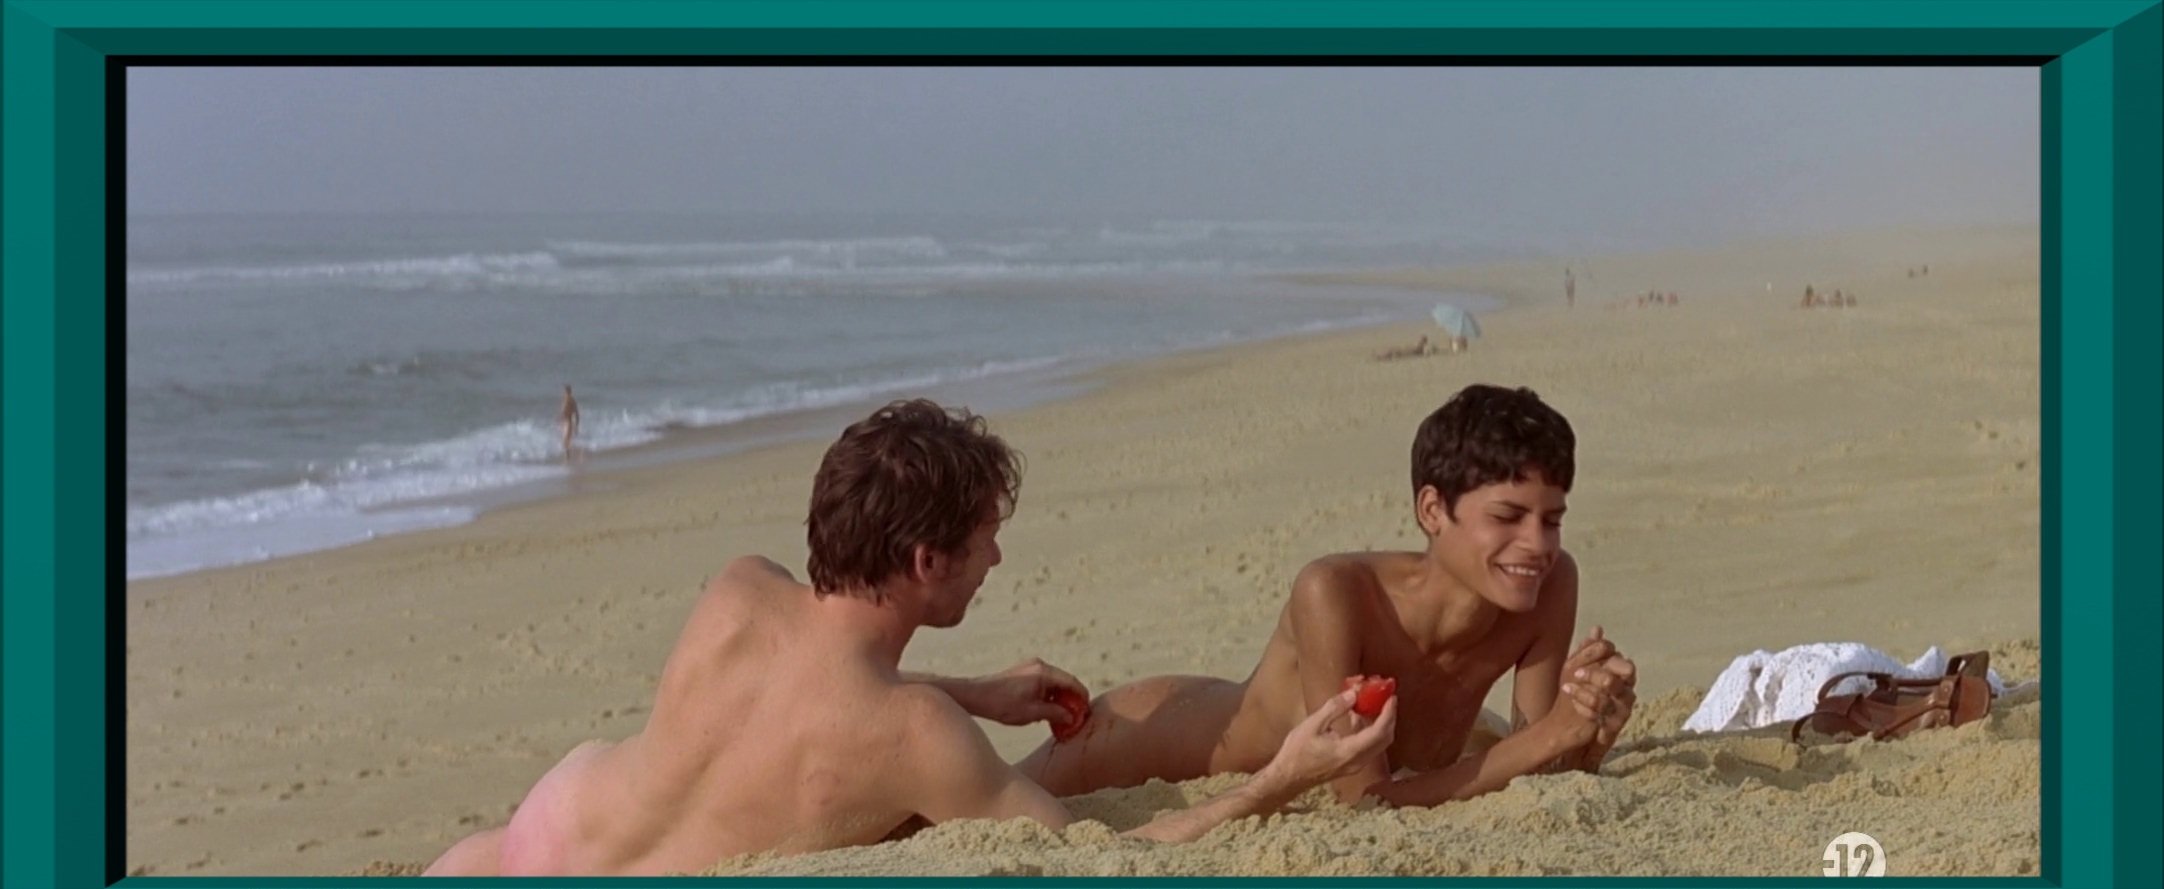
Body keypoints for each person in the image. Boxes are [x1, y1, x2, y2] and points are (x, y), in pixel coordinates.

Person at [422, 399, 1396, 877]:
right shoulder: (915, 736)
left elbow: (802, 692)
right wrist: (1281, 777)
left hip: (532, 840)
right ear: (927, 559)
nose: (996, 557)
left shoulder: (739, 589)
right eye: (983, 540)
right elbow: (1102, 852)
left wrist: (978, 688)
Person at [1017, 385, 1636, 808]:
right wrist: (1552, 735)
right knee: (976, 804)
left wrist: (1588, 728)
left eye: (1552, 520)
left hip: (1247, 723)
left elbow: (1535, 765)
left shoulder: (1548, 585)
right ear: (1432, 510)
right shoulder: (1338, 593)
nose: (1536, 544)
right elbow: (1364, 798)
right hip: (1149, 736)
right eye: (1507, 516)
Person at [558, 384, 581, 456]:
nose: (565, 393)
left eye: (567, 392)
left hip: (569, 422)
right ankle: (568, 454)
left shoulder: (571, 400)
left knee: (566, 440)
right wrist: (560, 419)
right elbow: (563, 411)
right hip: (565, 422)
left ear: (569, 392)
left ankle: (568, 456)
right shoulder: (565, 400)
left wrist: (576, 425)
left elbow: (576, 413)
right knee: (565, 440)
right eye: (565, 392)